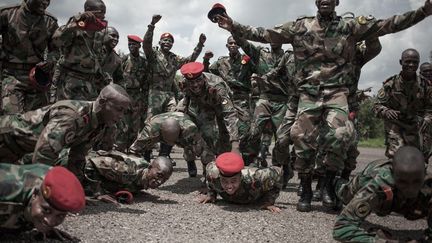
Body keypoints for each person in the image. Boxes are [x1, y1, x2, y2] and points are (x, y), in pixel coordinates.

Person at [214, 0, 432, 212]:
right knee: (301, 137)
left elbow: (389, 24)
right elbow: (262, 34)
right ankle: (306, 186)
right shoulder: (300, 26)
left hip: (337, 93)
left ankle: (327, 182)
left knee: (341, 135)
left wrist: (423, 12)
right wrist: (234, 26)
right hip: (307, 94)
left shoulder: (350, 26)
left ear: (336, 1)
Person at [0, 84, 131, 180]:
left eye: (124, 112)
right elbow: (44, 153)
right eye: (119, 109)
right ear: (102, 102)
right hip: (6, 138)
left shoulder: (98, 123)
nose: (121, 116)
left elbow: (77, 157)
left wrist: (79, 191)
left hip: (17, 150)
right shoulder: (72, 116)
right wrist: (42, 193)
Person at [333, 146, 431, 242]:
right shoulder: (378, 184)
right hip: (365, 179)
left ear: (424, 173)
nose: (410, 189)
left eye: (416, 181)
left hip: (397, 200)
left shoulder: (428, 184)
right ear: (393, 175)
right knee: (343, 193)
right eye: (403, 182)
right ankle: (332, 181)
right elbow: (341, 228)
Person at [143, 14, 206, 160]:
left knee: (173, 121)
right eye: (165, 40)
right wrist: (151, 25)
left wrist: (200, 45)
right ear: (160, 41)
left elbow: (189, 60)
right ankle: (145, 155)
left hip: (169, 95)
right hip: (155, 94)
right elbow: (146, 44)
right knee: (151, 124)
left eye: (170, 41)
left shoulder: (174, 58)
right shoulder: (153, 55)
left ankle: (164, 154)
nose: (167, 42)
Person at [0, 0, 59, 114]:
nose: (45, 3)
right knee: (11, 119)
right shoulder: (7, 14)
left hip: (37, 77)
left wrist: (51, 61)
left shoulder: (50, 21)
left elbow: (56, 49)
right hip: (11, 75)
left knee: (37, 121)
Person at [203, 36, 255, 163]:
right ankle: (224, 161)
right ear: (227, 46)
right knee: (224, 131)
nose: (233, 45)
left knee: (245, 130)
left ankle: (245, 160)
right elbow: (207, 74)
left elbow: (258, 69)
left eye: (235, 43)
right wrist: (206, 60)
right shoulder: (221, 62)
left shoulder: (246, 60)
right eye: (230, 43)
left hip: (241, 99)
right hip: (225, 99)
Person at [0, 164, 85, 241]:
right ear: (35, 194)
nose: (50, 221)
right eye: (46, 210)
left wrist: (46, 227)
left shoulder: (51, 185)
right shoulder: (7, 189)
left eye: (60, 215)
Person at [373, 49, 432, 159]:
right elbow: (376, 105)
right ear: (401, 62)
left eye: (415, 62)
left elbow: (430, 108)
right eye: (408, 61)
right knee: (397, 157)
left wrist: (427, 119)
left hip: (416, 124)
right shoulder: (391, 84)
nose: (411, 65)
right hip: (395, 124)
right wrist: (386, 111)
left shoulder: (425, 85)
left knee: (418, 158)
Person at [177, 62, 241, 156]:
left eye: (198, 81)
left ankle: (225, 159)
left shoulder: (217, 86)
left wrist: (235, 144)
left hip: (220, 105)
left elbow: (229, 113)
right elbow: (187, 98)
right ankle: (207, 162)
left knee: (225, 137)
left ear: (203, 77)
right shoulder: (185, 83)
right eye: (191, 82)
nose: (195, 85)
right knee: (207, 134)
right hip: (203, 105)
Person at [52, 0, 108, 101]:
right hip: (70, 83)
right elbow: (57, 41)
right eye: (100, 13)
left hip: (91, 85)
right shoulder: (75, 26)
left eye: (104, 14)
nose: (103, 17)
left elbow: (98, 60)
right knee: (67, 114)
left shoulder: (100, 34)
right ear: (88, 11)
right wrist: (75, 25)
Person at [129, 111, 213, 177]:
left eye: (173, 141)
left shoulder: (190, 130)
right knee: (143, 147)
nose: (171, 144)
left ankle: (190, 161)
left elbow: (206, 154)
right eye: (167, 141)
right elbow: (133, 150)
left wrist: (207, 183)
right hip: (160, 127)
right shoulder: (151, 129)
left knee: (190, 147)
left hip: (183, 125)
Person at [199, 152, 282, 213]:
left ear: (241, 177)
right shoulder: (213, 173)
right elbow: (209, 168)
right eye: (224, 181)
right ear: (219, 177)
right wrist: (211, 195)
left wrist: (269, 201)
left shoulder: (256, 177)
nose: (229, 186)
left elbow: (278, 171)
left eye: (233, 181)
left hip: (255, 180)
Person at [79, 151, 172, 204]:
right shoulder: (127, 170)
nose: (160, 181)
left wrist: (135, 191)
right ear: (150, 167)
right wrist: (98, 192)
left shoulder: (144, 178)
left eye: (165, 180)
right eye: (159, 175)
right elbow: (90, 163)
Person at [115, 34, 148, 151]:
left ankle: (131, 150)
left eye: (134, 44)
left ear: (139, 46)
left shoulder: (144, 62)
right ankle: (119, 149)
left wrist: (143, 100)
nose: (131, 46)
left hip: (137, 97)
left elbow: (145, 82)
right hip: (123, 95)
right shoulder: (123, 59)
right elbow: (117, 76)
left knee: (135, 126)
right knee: (123, 124)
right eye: (129, 44)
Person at [96, 26, 123, 92]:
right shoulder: (94, 50)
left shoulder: (117, 59)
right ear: (103, 35)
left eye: (117, 37)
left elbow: (119, 80)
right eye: (112, 35)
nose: (116, 39)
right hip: (84, 90)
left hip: (103, 94)